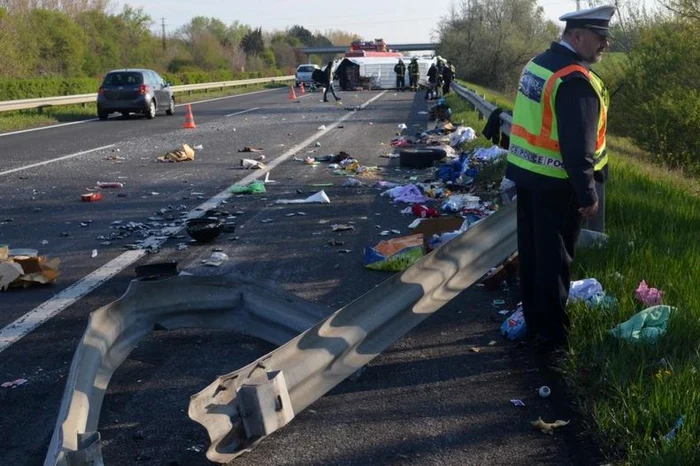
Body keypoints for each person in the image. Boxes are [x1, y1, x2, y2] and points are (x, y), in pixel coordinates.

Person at [505, 4, 615, 349]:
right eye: (600, 38)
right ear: (577, 36)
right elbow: (577, 149)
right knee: (555, 264)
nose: (605, 46)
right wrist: (587, 194)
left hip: (528, 177)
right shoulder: (575, 80)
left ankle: (536, 323)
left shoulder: (538, 65)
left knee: (534, 256)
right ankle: (553, 338)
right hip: (557, 185)